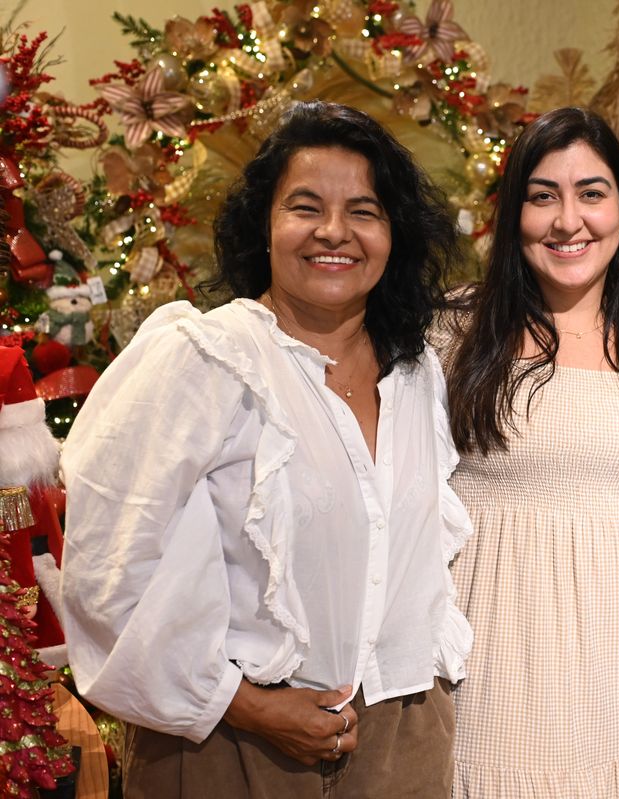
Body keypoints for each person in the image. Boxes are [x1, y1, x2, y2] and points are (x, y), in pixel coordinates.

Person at [59, 101, 471, 798]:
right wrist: (245, 706)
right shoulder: (205, 357)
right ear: (265, 225)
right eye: (305, 207)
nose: (334, 231)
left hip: (401, 743)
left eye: (364, 211)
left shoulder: (417, 372)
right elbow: (107, 571)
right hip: (233, 744)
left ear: (394, 233)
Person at [434, 106, 619, 798]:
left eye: (591, 194)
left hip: (615, 708)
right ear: (513, 215)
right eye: (542, 195)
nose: (567, 220)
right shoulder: (452, 333)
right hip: (482, 700)